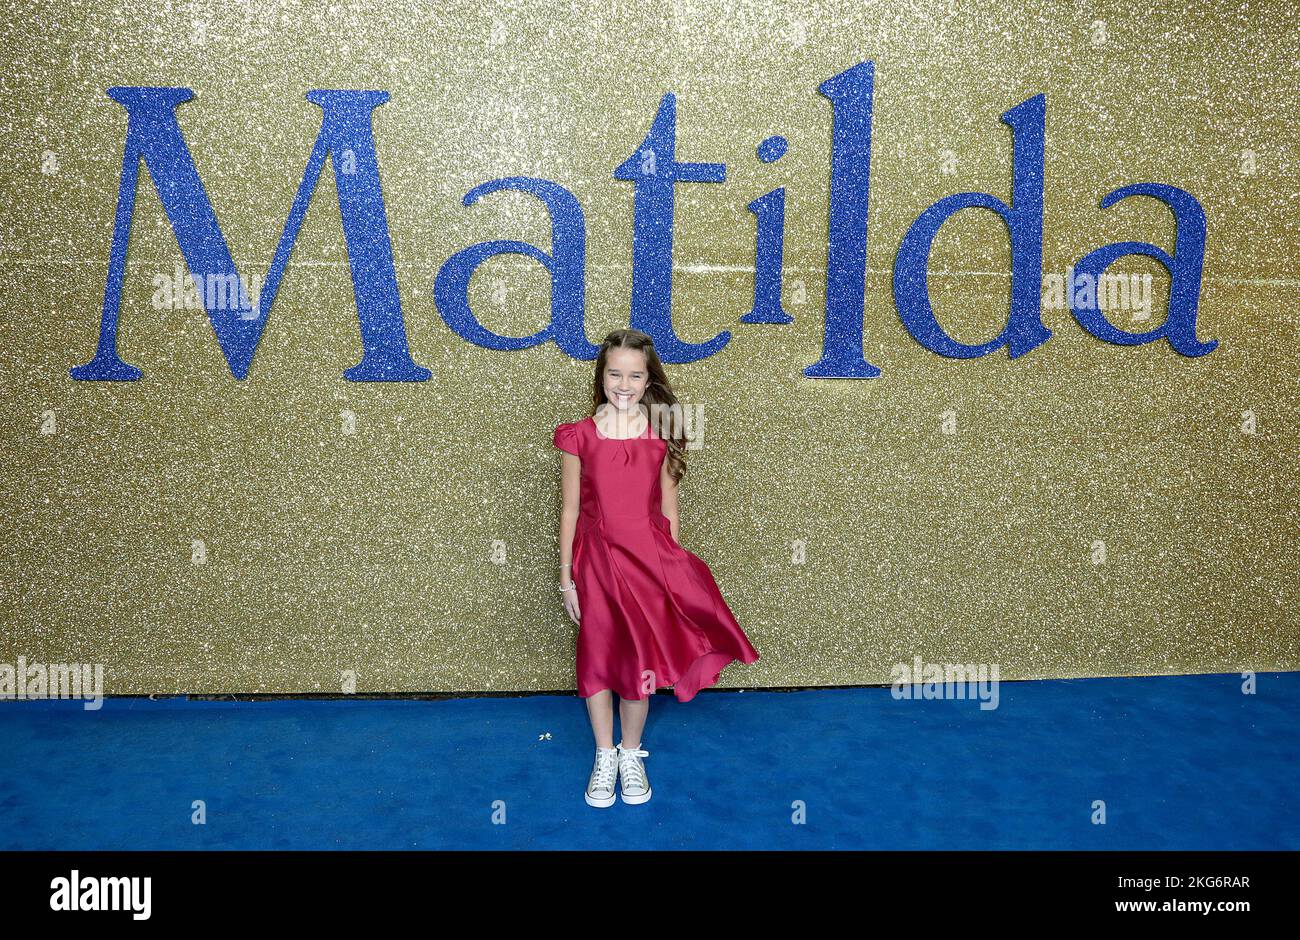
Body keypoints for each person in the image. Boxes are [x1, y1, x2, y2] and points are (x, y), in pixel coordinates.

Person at [552, 328, 760, 807]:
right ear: (602, 375)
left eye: (635, 375)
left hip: (649, 564)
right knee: (599, 655)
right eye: (614, 373)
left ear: (648, 381)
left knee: (638, 661)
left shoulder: (662, 433)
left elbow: (668, 507)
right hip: (596, 564)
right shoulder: (577, 436)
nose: (623, 384)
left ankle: (630, 753)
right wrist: (567, 575)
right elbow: (568, 511)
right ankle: (604, 755)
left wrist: (672, 572)